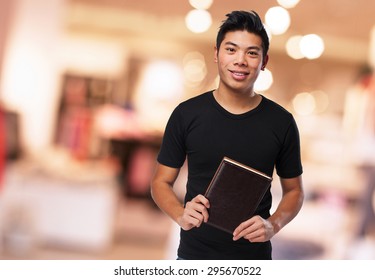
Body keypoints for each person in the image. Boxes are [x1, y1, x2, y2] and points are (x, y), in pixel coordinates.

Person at [150, 10, 304, 260]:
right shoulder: (186, 114)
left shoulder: (282, 123)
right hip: (194, 256)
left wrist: (273, 224)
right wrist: (180, 213)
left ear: (264, 61)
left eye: (251, 53)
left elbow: (295, 191)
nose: (240, 60)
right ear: (216, 54)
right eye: (231, 49)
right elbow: (160, 182)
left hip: (253, 261)